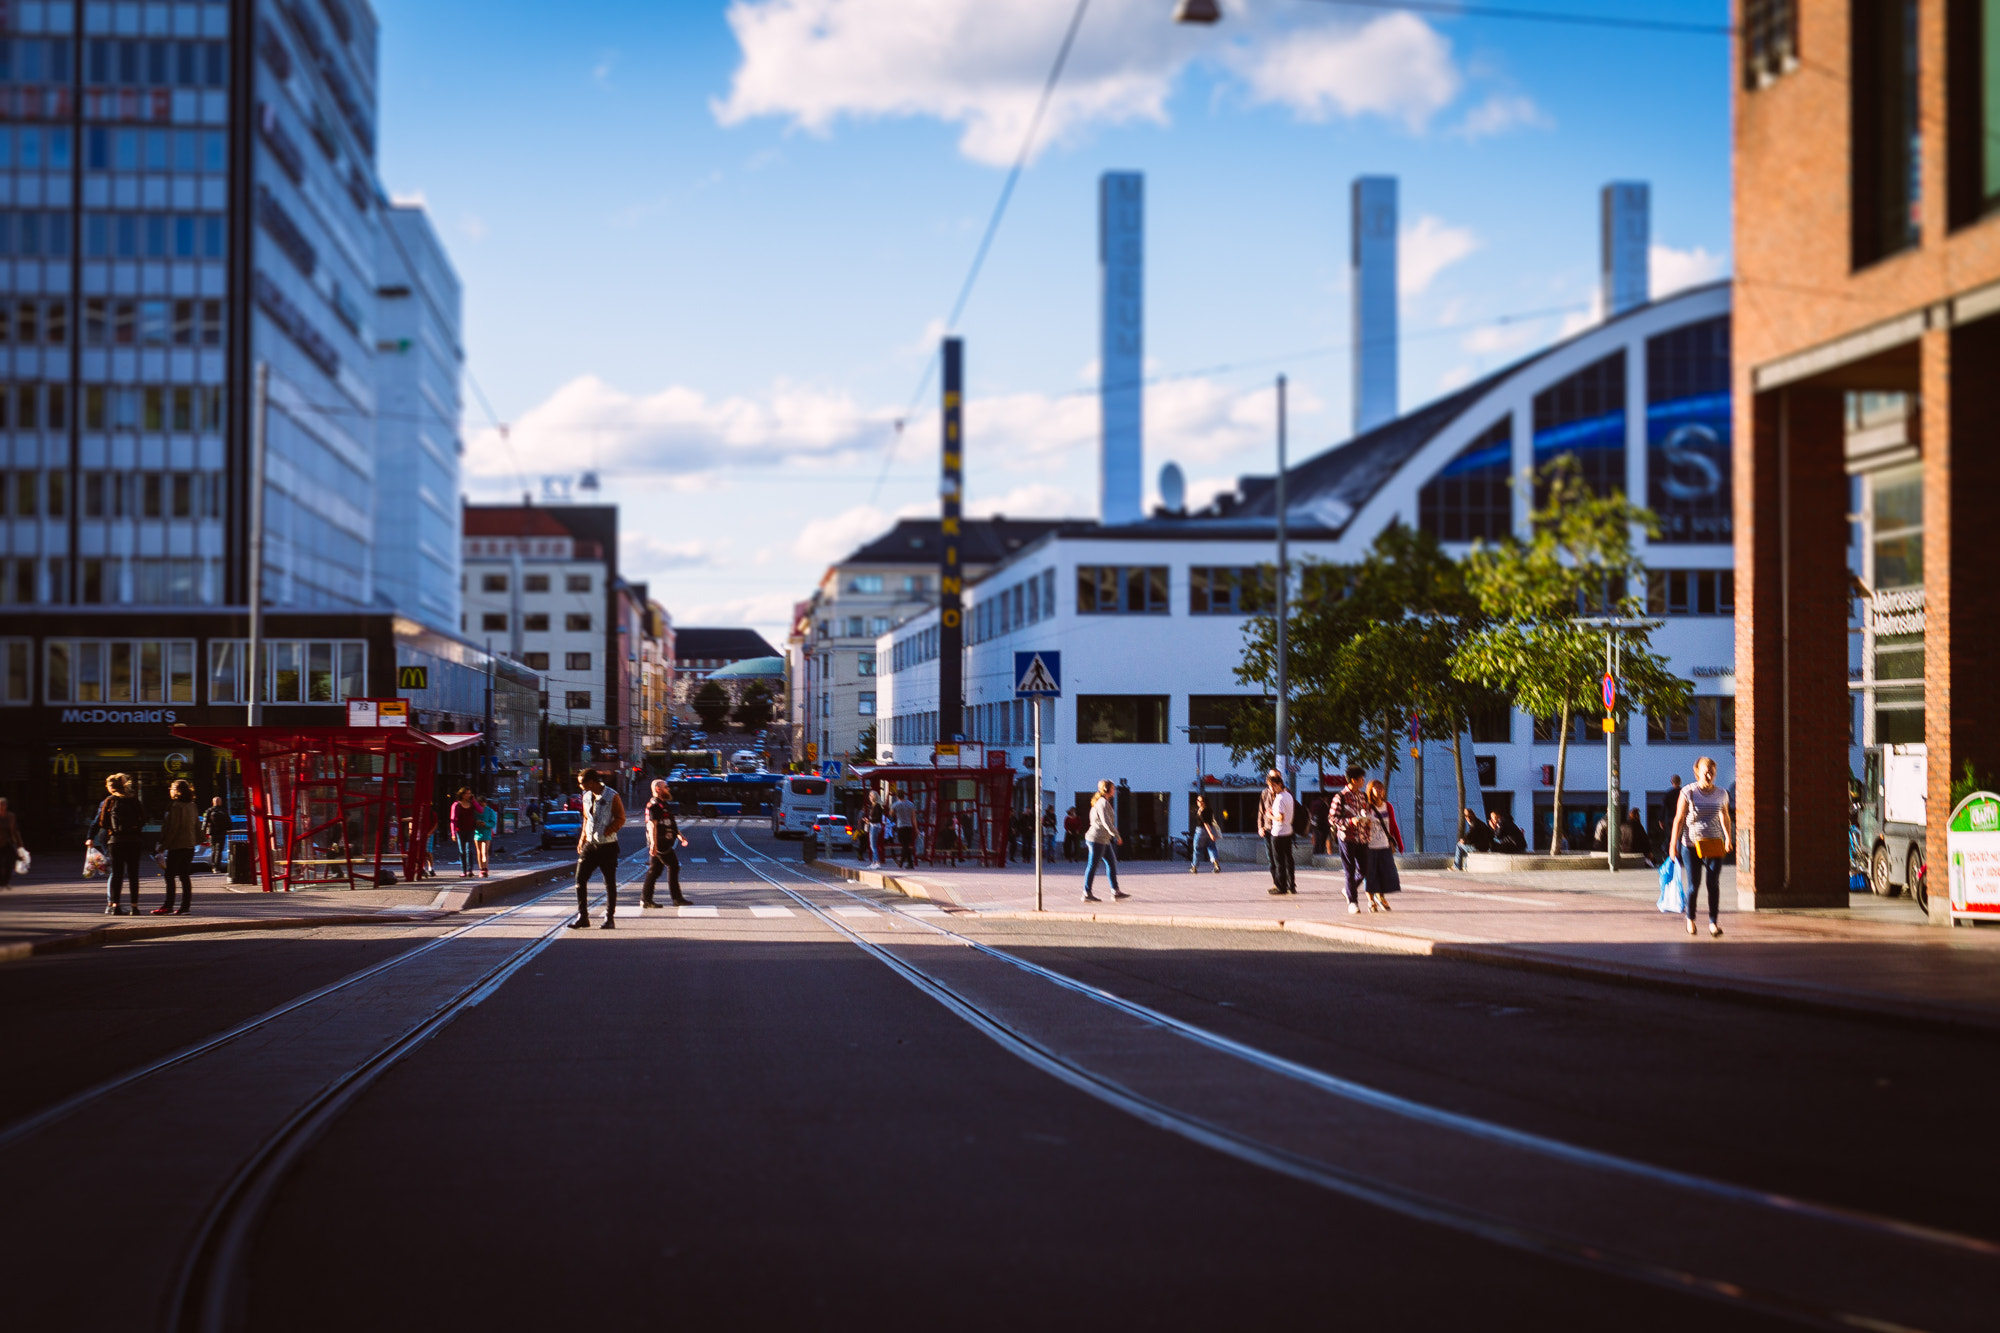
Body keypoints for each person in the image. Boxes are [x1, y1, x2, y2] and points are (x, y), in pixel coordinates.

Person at [1668, 756, 1733, 938]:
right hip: (1691, 844)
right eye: (1705, 769)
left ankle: (1713, 923)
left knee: (1713, 883)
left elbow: (1725, 816)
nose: (1709, 773)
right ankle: (1691, 919)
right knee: (1694, 885)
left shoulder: (1721, 793)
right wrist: (1673, 844)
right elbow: (1679, 819)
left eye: (1712, 770)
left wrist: (1728, 837)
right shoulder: (1688, 792)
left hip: (1714, 843)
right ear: (1697, 771)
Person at [571, 769, 626, 929]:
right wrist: (582, 838)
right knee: (580, 879)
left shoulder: (612, 795)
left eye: (582, 783)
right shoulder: (586, 797)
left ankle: (609, 918)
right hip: (590, 844)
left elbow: (621, 818)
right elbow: (586, 818)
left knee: (609, 883)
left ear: (591, 782)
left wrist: (609, 830)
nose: (580, 786)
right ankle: (583, 916)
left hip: (608, 845)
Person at [91, 773, 148, 916]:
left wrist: (106, 831)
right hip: (134, 841)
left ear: (112, 787)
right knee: (134, 874)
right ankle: (134, 907)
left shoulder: (109, 801)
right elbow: (143, 819)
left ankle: (115, 905)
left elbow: (102, 822)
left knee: (117, 874)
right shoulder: (133, 800)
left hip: (115, 841)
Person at [640, 779, 690, 908]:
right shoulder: (654, 805)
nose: (668, 789)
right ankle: (677, 898)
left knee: (654, 871)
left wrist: (680, 836)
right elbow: (652, 826)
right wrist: (653, 845)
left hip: (664, 842)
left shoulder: (663, 804)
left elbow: (671, 824)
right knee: (673, 866)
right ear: (658, 789)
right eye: (666, 787)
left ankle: (646, 899)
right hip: (660, 844)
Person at [1329, 764, 1372, 911]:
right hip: (1347, 838)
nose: (1363, 781)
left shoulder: (1363, 796)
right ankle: (1353, 902)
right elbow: (1332, 818)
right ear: (1353, 780)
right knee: (1350, 870)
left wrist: (1368, 821)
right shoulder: (1340, 797)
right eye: (1361, 779)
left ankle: (1348, 889)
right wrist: (1349, 821)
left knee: (1364, 870)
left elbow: (1366, 812)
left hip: (1362, 838)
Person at [153, 779, 199, 915]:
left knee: (169, 875)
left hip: (177, 845)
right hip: (189, 845)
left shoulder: (175, 807)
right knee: (184, 876)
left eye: (172, 789)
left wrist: (163, 845)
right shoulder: (192, 806)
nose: (170, 791)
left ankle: (168, 905)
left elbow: (171, 829)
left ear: (176, 791)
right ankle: (185, 906)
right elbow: (197, 826)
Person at [1081, 779, 1129, 903]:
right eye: (1113, 788)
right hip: (1097, 839)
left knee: (1112, 863)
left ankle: (1115, 891)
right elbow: (1105, 821)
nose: (1115, 790)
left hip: (1104, 839)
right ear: (1107, 789)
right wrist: (1117, 836)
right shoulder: (1102, 802)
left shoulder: (1103, 802)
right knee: (1093, 865)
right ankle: (1086, 892)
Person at [1362, 780, 1404, 912]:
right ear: (1370, 790)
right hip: (1369, 846)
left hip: (1384, 845)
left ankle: (1381, 897)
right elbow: (1362, 824)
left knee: (1386, 874)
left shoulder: (1388, 806)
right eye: (1376, 788)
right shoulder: (1366, 807)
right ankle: (1371, 901)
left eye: (1381, 788)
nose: (1379, 791)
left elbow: (1393, 825)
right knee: (1370, 875)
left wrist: (1399, 843)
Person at [1258, 770, 1298, 897]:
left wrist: (1271, 815)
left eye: (1273, 783)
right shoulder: (1269, 794)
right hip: (1278, 830)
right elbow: (1261, 810)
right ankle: (1280, 883)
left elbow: (1280, 816)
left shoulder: (1281, 797)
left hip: (1278, 831)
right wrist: (1261, 826)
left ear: (1278, 782)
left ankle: (1284, 885)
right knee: (1276, 859)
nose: (1272, 787)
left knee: (1280, 860)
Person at [448, 789, 482, 879]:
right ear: (462, 795)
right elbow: (453, 820)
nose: (469, 795)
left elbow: (480, 810)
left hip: (470, 829)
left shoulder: (471, 804)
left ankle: (470, 870)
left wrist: (474, 800)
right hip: (460, 830)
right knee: (462, 851)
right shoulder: (456, 805)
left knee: (469, 850)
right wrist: (453, 833)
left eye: (470, 793)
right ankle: (463, 870)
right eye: (467, 793)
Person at [1189, 794, 1222, 874]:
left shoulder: (1201, 811)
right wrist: (1211, 833)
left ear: (1203, 802)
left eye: (1199, 801)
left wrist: (1210, 834)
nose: (1197, 802)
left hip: (1201, 831)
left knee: (1197, 849)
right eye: (1197, 800)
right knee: (1211, 847)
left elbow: (1205, 823)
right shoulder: (1210, 810)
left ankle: (1194, 867)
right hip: (1211, 829)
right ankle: (1216, 864)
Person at [1453, 806, 1492, 871]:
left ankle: (1457, 866)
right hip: (1485, 847)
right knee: (1467, 848)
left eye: (1467, 816)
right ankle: (1465, 866)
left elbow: (1471, 836)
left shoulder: (1474, 824)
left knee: (1459, 845)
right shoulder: (1480, 822)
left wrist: (1463, 840)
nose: (1467, 818)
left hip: (1478, 847)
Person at [202, 797, 231, 877]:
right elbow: (229, 822)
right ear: (220, 802)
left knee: (214, 850)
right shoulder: (224, 811)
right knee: (219, 850)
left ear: (213, 802)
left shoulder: (209, 811)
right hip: (221, 832)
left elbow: (205, 822)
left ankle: (214, 866)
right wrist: (229, 830)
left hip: (212, 833)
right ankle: (217, 867)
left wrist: (203, 832)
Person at [0, 796, 23, 889]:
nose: (2, 806)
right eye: (0, 804)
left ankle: (5, 882)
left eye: (3, 804)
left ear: (6, 805)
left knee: (9, 862)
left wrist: (19, 844)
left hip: (7, 841)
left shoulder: (11, 816)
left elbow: (14, 830)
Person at [892, 790, 917, 869]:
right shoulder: (910, 804)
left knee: (904, 845)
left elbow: (891, 813)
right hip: (909, 826)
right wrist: (916, 828)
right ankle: (908, 863)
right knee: (905, 845)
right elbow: (913, 817)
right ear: (904, 795)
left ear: (897, 796)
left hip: (901, 826)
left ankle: (902, 862)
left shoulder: (895, 805)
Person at [474, 797, 498, 877]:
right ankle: (481, 868)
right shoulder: (475, 811)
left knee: (485, 851)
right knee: (479, 851)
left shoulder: (490, 811)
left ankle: (485, 868)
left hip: (487, 833)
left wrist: (486, 824)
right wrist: (476, 823)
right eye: (480, 804)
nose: (481, 806)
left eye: (483, 804)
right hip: (477, 833)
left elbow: (493, 823)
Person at [1309, 793, 1332, 858]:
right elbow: (1324, 815)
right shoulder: (1322, 804)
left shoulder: (1314, 803)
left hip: (1315, 825)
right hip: (1322, 826)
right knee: (1320, 843)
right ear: (1325, 797)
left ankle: (1316, 855)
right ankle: (1319, 856)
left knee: (1317, 842)